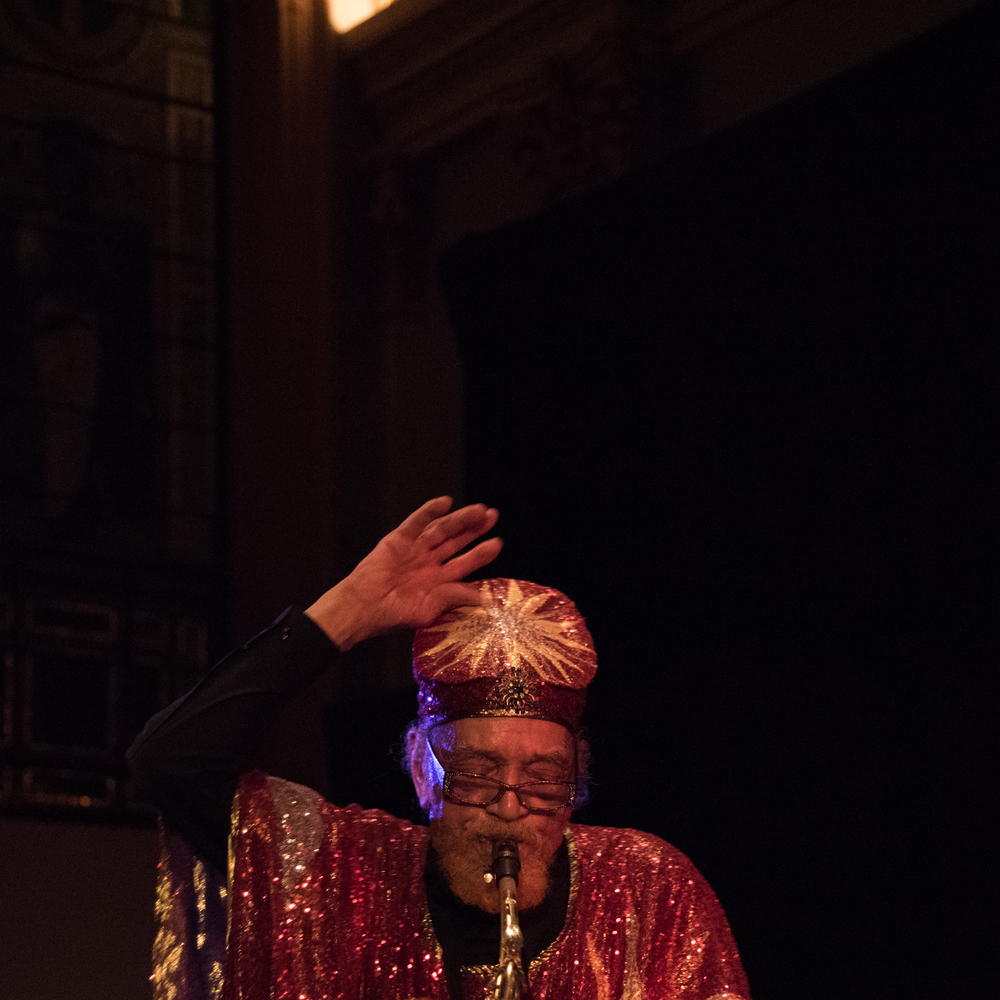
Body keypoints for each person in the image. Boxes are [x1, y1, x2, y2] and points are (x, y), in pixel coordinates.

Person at [129, 497, 750, 1000]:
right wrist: (343, 615)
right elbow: (172, 760)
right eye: (476, 773)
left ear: (575, 783)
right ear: (423, 772)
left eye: (541, 779)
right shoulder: (341, 869)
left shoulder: (647, 890)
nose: (509, 808)